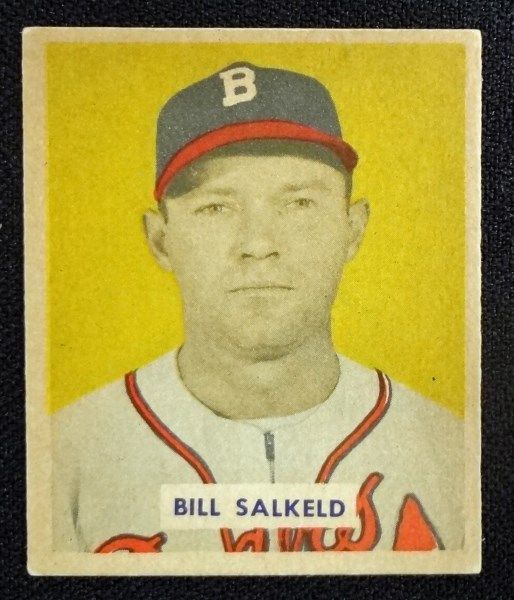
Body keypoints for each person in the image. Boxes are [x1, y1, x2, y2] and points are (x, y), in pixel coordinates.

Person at [52, 62, 463, 553]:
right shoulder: (59, 458)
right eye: (216, 207)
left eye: (299, 203)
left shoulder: (456, 454)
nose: (259, 244)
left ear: (352, 228)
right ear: (160, 240)